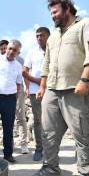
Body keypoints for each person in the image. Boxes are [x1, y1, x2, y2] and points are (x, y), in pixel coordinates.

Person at [32, 0, 89, 176]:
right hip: (52, 90)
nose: (53, 16)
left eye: (55, 12)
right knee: (48, 133)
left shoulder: (87, 25)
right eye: (51, 13)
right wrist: (42, 87)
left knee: (82, 133)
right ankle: (51, 167)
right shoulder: (54, 36)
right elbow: (46, 63)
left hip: (76, 89)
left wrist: (84, 81)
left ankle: (87, 174)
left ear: (67, 9)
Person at [23, 27, 50, 161]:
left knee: (54, 122)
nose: (39, 38)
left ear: (48, 36)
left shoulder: (54, 51)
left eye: (42, 35)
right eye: (37, 36)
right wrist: (37, 82)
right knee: (38, 121)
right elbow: (24, 72)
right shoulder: (32, 53)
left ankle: (51, 150)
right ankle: (39, 149)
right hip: (36, 92)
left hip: (53, 90)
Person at [14, 46, 29, 154]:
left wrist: (27, 88)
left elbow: (25, 75)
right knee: (7, 119)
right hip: (6, 93)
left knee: (21, 118)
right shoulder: (0, 60)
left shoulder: (21, 60)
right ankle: (8, 144)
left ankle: (24, 144)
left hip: (19, 92)